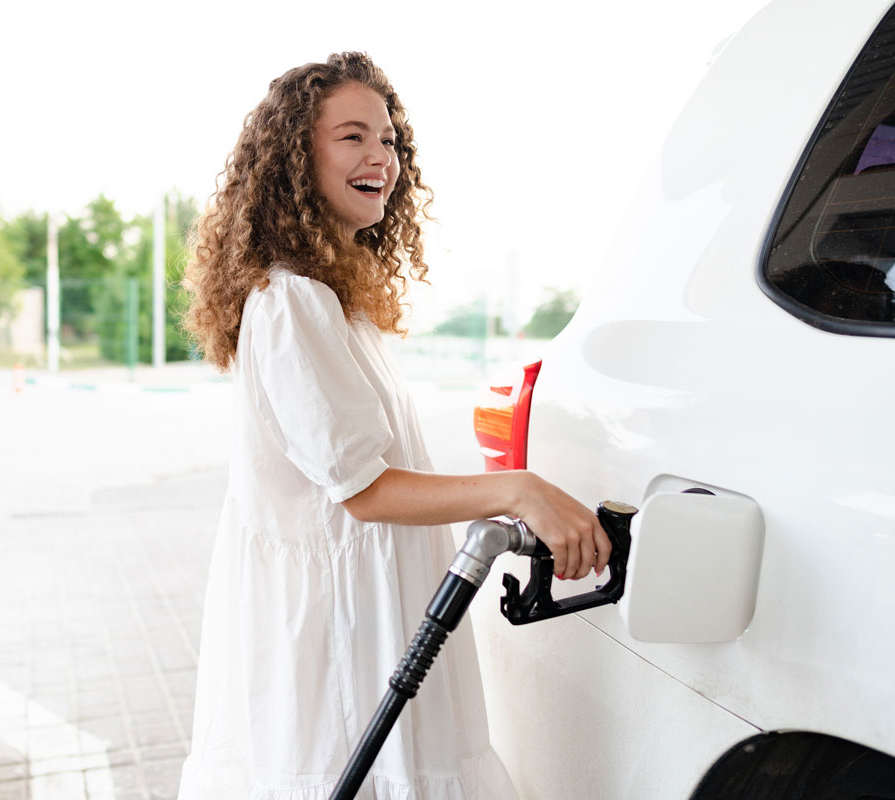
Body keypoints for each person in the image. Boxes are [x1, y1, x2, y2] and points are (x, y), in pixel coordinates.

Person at [177, 52, 609, 799]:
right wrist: (519, 490)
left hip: (366, 608)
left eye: (389, 140)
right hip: (339, 631)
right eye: (352, 137)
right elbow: (365, 490)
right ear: (294, 157)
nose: (382, 156)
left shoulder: (333, 301)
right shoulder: (292, 301)